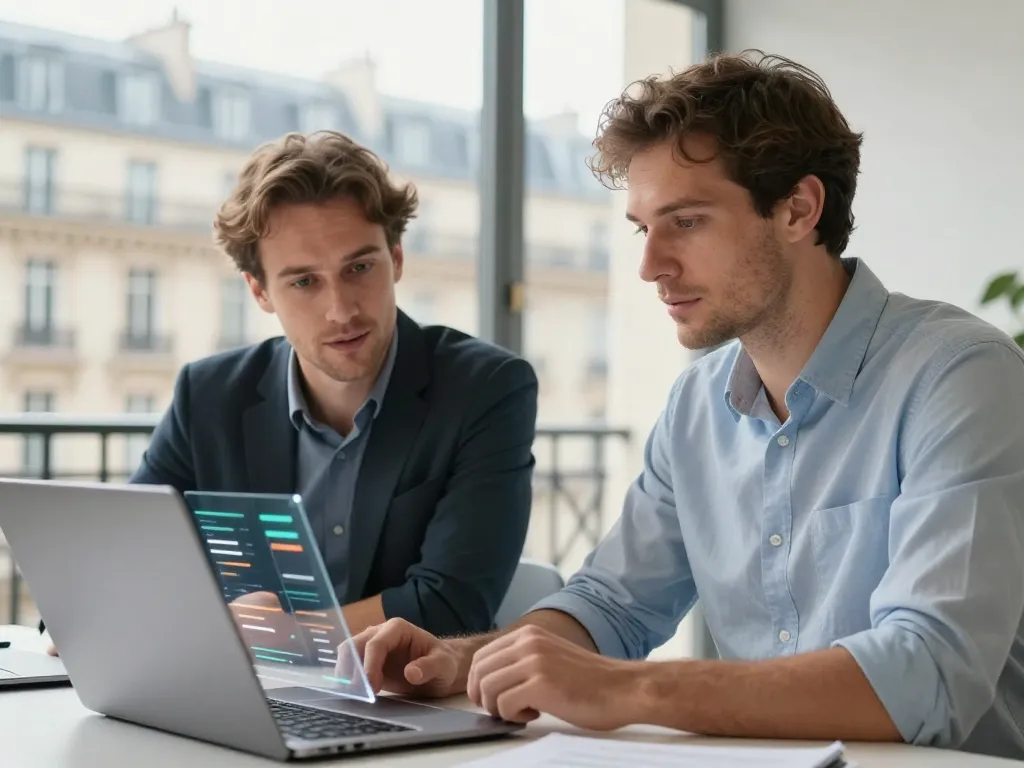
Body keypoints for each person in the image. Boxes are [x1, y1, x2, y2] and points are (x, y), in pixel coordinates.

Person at [348, 51, 1024, 760]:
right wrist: (470, 661)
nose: (651, 265)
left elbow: (930, 674)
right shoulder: (699, 403)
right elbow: (612, 604)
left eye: (688, 222)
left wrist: (631, 690)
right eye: (645, 228)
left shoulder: (962, 378)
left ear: (799, 208)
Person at [131, 130, 538, 638]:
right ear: (259, 291)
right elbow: (131, 567)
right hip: (239, 695)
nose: (342, 310)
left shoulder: (487, 388)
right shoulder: (208, 395)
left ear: (398, 259)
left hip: (413, 698)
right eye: (304, 281)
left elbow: (451, 605)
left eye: (360, 268)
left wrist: (275, 637)